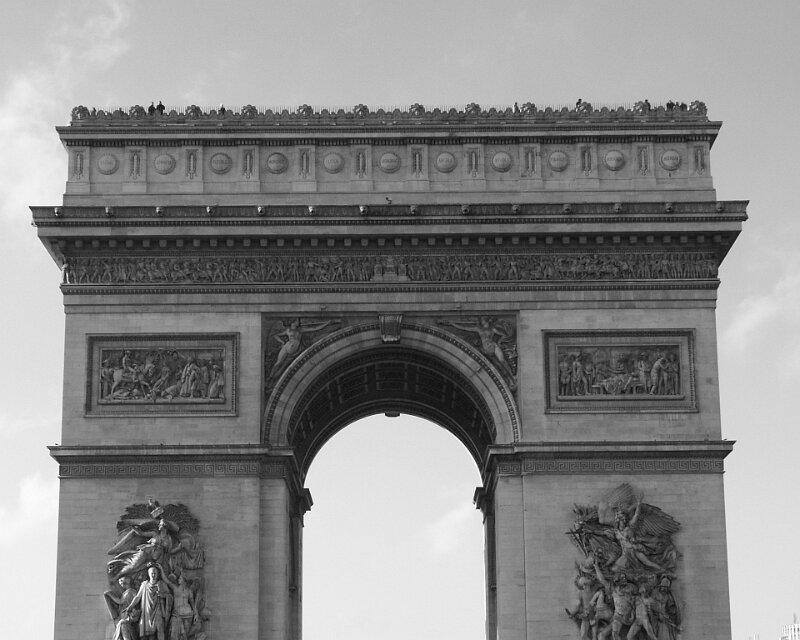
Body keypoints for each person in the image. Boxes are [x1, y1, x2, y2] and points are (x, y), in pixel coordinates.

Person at [125, 563, 173, 640]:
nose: (153, 575)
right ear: (149, 574)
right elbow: (138, 597)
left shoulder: (161, 584)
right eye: (152, 573)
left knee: (160, 628)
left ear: (157, 574)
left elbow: (170, 596)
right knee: (150, 634)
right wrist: (130, 606)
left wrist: (163, 595)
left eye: (155, 573)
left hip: (158, 609)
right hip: (147, 611)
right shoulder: (144, 585)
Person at [103, 576, 140, 640]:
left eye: (122, 584)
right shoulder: (128, 592)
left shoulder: (129, 592)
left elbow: (120, 601)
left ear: (126, 583)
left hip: (128, 615)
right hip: (125, 615)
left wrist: (110, 595)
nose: (121, 586)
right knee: (122, 626)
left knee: (122, 625)